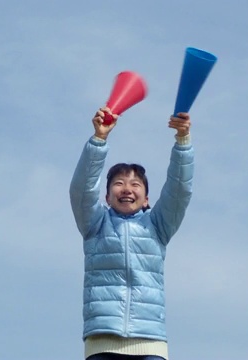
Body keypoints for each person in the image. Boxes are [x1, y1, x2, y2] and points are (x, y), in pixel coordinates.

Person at [69, 106, 194, 360]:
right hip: (102, 343)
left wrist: (182, 141)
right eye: (118, 183)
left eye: (135, 184)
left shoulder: (158, 225)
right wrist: (99, 139)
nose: (127, 188)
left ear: (146, 199)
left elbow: (179, 190)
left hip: (151, 343)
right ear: (106, 196)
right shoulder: (95, 224)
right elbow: (81, 189)